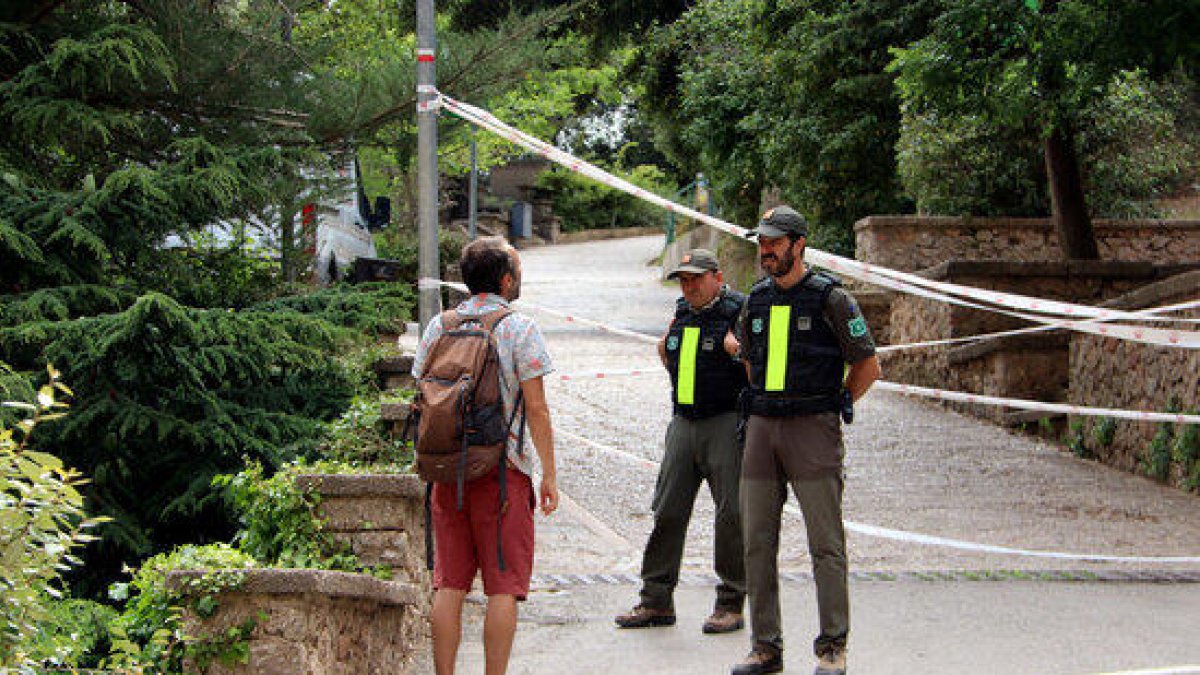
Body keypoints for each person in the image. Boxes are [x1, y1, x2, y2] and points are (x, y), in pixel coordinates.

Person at [724, 206, 881, 675]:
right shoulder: (756, 299)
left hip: (814, 427)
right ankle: (765, 648)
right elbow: (748, 360)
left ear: (798, 244)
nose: (765, 250)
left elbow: (868, 365)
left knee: (825, 544)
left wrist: (838, 403)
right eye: (761, 243)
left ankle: (833, 647)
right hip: (761, 428)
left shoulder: (832, 298)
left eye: (773, 242)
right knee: (755, 542)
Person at [412, 236, 559, 675]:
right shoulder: (519, 328)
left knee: (449, 582)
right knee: (503, 586)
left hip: (447, 468)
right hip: (502, 473)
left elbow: (422, 388)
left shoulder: (440, 326)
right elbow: (536, 407)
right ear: (507, 279)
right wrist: (548, 474)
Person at [615, 248, 749, 635]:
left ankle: (730, 603)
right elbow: (673, 357)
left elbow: (760, 363)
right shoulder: (682, 312)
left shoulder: (740, 311)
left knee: (731, 517)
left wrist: (737, 350)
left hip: (725, 421)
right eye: (684, 280)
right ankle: (656, 600)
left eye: (696, 279)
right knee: (668, 510)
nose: (689, 286)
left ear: (717, 278)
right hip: (683, 421)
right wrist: (663, 351)